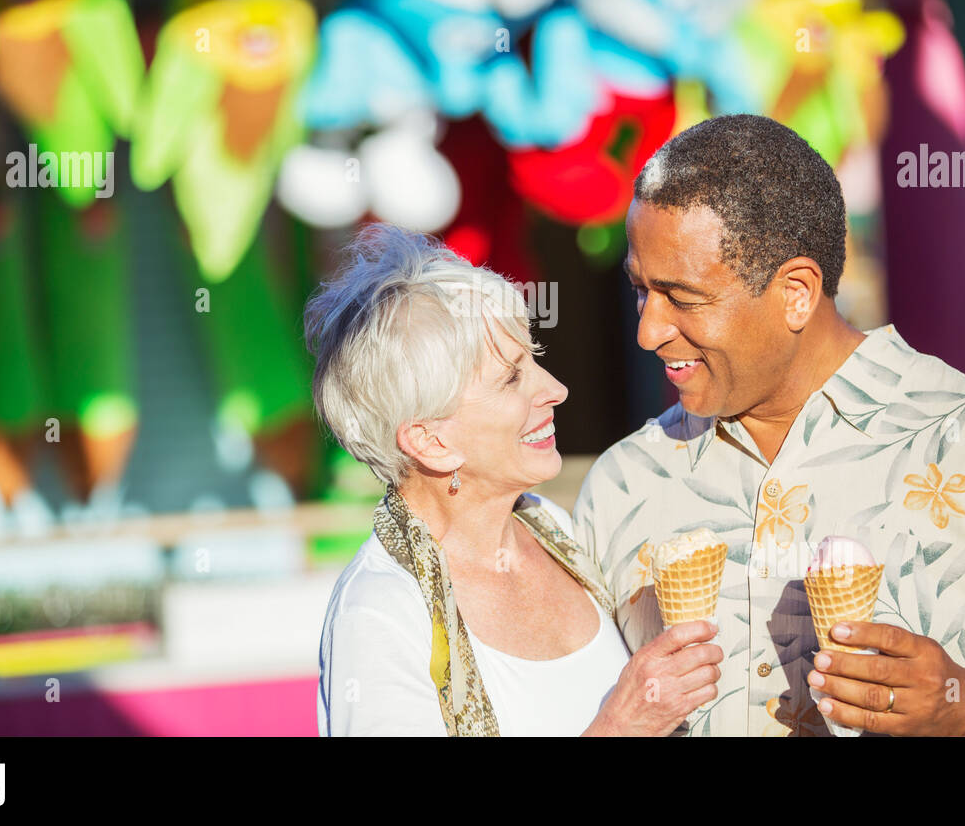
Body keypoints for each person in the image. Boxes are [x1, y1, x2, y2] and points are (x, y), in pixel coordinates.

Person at [573, 114, 965, 736]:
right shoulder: (622, 484)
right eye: (640, 291)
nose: (648, 331)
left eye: (681, 298)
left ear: (797, 292)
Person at [310, 223, 723, 735]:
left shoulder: (551, 528)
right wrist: (621, 727)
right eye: (511, 378)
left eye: (536, 359)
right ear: (430, 441)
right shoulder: (379, 614)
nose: (556, 389)